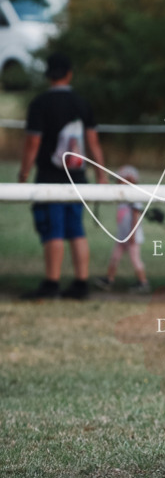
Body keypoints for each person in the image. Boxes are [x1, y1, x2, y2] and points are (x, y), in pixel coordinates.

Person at [18, 52, 107, 299]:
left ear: (48, 75)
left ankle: (52, 282)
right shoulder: (82, 103)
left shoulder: (39, 104)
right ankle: (81, 283)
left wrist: (24, 172)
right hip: (78, 178)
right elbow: (93, 142)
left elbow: (32, 143)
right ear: (69, 74)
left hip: (49, 176)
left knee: (53, 229)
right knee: (76, 229)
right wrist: (101, 174)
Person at [94, 165, 151, 293]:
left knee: (135, 259)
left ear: (130, 180)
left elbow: (135, 218)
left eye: (120, 180)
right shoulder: (122, 198)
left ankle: (143, 282)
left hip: (132, 236)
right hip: (121, 235)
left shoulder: (135, 197)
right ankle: (109, 279)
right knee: (115, 257)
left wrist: (132, 234)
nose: (118, 183)